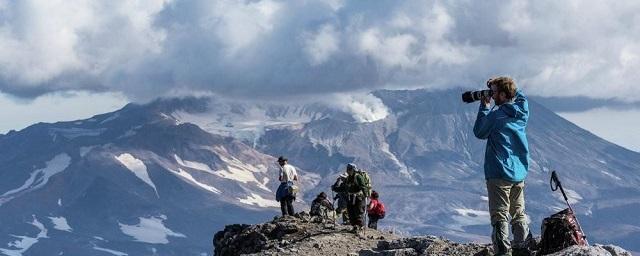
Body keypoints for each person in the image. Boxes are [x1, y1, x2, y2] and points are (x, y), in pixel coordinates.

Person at [473, 76, 530, 256]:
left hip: (499, 172)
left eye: (495, 92)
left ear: (504, 95)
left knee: (499, 215)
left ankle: (503, 252)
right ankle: (522, 249)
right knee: (519, 213)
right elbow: (520, 96)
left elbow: (479, 131)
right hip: (519, 172)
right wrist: (503, 85)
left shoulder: (497, 116)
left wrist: (484, 106)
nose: (492, 95)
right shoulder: (522, 111)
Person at [342, 163, 367, 232]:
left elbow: (363, 186)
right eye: (347, 169)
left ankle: (360, 227)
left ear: (353, 169)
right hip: (350, 197)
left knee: (358, 212)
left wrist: (365, 195)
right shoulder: (348, 178)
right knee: (351, 212)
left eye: (349, 169)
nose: (348, 171)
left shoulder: (358, 177)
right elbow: (345, 187)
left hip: (358, 197)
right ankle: (354, 226)